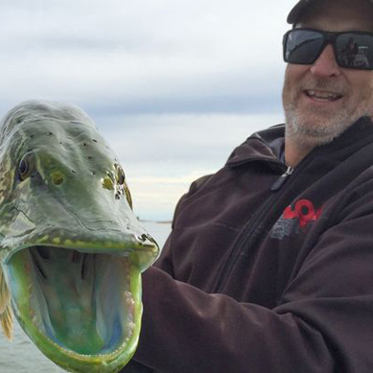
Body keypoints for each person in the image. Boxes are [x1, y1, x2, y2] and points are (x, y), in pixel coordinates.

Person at [123, 0, 373, 371]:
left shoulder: (363, 193)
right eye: (305, 43)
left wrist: (116, 292)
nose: (322, 68)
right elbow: (134, 350)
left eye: (356, 50)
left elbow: (315, 354)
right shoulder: (212, 191)